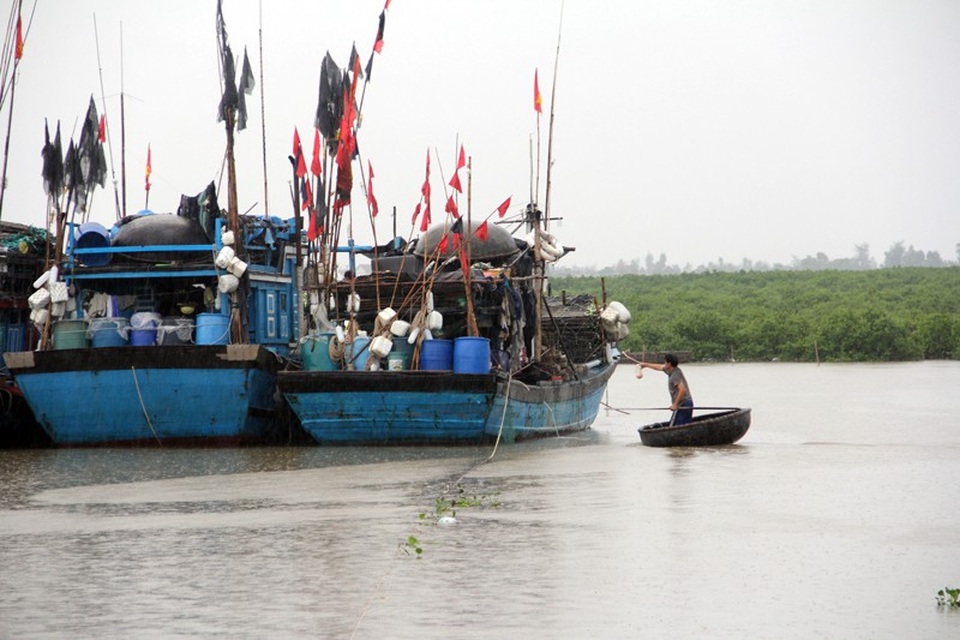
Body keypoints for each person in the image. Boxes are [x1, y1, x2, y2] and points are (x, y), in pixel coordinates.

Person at [636, 353, 694, 425]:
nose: (664, 364)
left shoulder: (675, 375)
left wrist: (675, 405)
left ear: (669, 364)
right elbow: (659, 367)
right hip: (681, 404)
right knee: (674, 424)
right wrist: (645, 365)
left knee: (679, 425)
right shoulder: (671, 371)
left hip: (684, 403)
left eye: (665, 362)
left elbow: (682, 390)